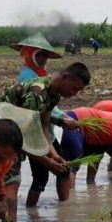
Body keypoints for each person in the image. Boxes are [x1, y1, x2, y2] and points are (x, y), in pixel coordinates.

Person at [0, 62, 90, 219]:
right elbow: (25, 135)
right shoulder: (37, 93)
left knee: (11, 184)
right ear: (65, 77)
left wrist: (53, 154)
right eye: (74, 88)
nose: (75, 94)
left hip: (15, 133)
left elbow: (43, 124)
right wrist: (45, 161)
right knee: (10, 184)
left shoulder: (54, 94)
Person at [8, 33, 74, 208]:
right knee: (41, 177)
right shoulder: (28, 77)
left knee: (63, 168)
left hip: (45, 133)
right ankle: (31, 213)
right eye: (40, 55)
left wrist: (61, 116)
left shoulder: (43, 75)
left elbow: (47, 111)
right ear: (29, 54)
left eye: (45, 55)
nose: (44, 59)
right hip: (30, 133)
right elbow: (30, 118)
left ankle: (64, 210)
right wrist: (61, 119)